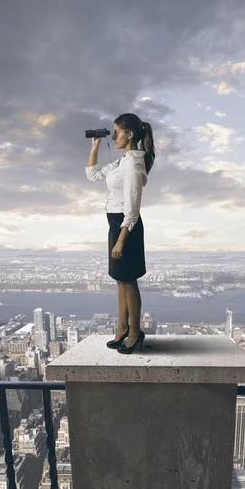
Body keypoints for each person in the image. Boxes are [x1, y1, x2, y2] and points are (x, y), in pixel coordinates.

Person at [85, 113, 156, 354]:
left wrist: (121, 239)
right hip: (115, 223)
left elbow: (133, 208)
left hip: (127, 226)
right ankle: (122, 328)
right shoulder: (121, 161)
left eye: (117, 131)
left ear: (130, 134)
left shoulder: (134, 164)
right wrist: (95, 145)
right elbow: (92, 175)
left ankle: (135, 333)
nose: (113, 135)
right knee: (120, 280)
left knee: (129, 281)